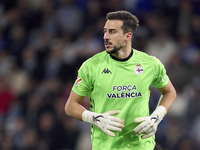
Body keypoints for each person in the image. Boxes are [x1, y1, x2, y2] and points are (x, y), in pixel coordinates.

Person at [65, 10, 176, 150]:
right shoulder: (91, 66)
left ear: (127, 36)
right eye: (105, 31)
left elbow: (170, 92)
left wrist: (156, 117)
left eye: (112, 32)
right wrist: (95, 118)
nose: (105, 36)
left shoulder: (150, 64)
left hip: (142, 146)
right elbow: (70, 106)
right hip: (105, 146)